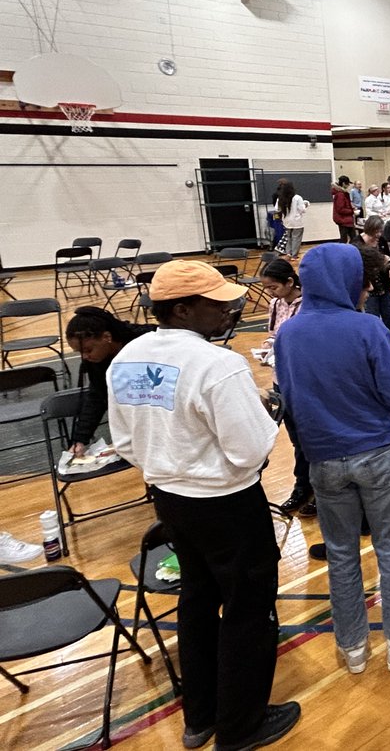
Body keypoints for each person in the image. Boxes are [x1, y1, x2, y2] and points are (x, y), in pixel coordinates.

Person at [107, 260, 299, 750]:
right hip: (227, 504)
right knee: (247, 610)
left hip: (170, 501)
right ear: (183, 308)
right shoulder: (217, 364)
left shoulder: (129, 357)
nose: (228, 310)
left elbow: (125, 441)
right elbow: (251, 449)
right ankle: (240, 726)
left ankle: (201, 717)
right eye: (217, 304)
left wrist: (171, 458)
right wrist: (267, 414)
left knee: (196, 601)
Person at [274, 244, 390, 677]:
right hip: (377, 451)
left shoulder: (288, 333)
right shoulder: (367, 328)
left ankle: (353, 647)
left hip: (323, 459)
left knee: (341, 553)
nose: (365, 289)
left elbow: (287, 397)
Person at [258, 259, 314, 519]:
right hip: (281, 379)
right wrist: (268, 348)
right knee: (296, 440)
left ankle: (317, 490)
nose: (270, 293)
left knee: (311, 438)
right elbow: (273, 334)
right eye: (267, 288)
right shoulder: (276, 304)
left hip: (304, 380)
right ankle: (303, 486)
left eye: (274, 287)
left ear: (290, 282)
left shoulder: (310, 304)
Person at [64, 307, 155, 460]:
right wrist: (80, 439)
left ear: (107, 337)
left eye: (88, 350)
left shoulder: (147, 341)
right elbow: (97, 396)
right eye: (79, 352)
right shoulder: (97, 361)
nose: (85, 356)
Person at [355, 216, 390, 330]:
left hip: (384, 285)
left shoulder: (381, 240)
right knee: (372, 317)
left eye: (380, 231)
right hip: (369, 288)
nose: (378, 235)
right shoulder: (357, 244)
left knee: (388, 315)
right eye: (376, 231)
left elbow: (387, 257)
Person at [272, 179, 308, 260]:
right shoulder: (297, 197)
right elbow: (302, 210)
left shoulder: (280, 198)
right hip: (297, 222)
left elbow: (277, 209)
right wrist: (305, 205)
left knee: (289, 238)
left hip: (286, 221)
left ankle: (288, 253)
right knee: (296, 238)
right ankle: (294, 255)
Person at [332, 175, 356, 243]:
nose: (348, 185)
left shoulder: (342, 194)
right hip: (344, 220)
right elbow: (340, 209)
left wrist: (351, 207)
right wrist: (351, 211)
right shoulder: (340, 195)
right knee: (346, 239)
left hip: (345, 220)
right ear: (343, 183)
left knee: (350, 238)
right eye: (347, 184)